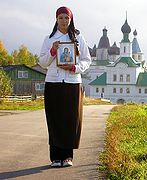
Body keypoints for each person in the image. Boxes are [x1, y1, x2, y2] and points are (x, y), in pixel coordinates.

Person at [39, 6, 91, 168]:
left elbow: (87, 60)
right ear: (56, 19)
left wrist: (75, 68)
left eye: (66, 18)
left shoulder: (78, 38)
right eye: (61, 18)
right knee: (54, 119)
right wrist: (53, 51)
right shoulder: (49, 39)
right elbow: (42, 62)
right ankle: (55, 157)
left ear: (71, 19)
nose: (64, 21)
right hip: (53, 83)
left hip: (72, 83)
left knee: (70, 120)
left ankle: (67, 156)